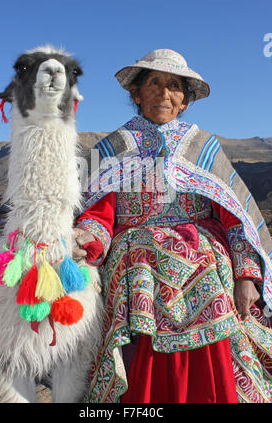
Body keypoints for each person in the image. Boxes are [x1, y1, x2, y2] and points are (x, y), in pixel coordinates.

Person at [73, 49, 272, 403]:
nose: (164, 93)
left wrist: (246, 276)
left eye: (175, 86)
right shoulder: (113, 149)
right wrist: (83, 240)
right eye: (154, 83)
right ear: (136, 94)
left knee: (207, 266)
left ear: (184, 100)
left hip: (204, 254)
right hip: (136, 254)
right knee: (140, 264)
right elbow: (98, 216)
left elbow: (235, 215)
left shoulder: (204, 147)